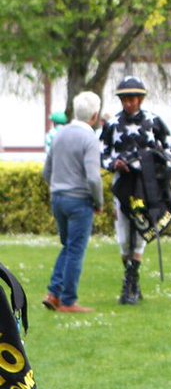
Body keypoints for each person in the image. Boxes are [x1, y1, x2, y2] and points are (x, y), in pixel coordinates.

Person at [99, 75, 171, 305]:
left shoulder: (154, 122)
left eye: (132, 98)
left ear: (140, 99)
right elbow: (102, 152)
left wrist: (158, 166)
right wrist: (114, 164)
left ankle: (131, 282)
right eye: (124, 98)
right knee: (124, 234)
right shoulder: (112, 124)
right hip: (123, 185)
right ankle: (131, 275)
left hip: (146, 185)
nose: (128, 103)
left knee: (143, 227)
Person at [41, 91, 104, 314]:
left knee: (67, 246)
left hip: (57, 198)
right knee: (76, 249)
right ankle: (68, 301)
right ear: (94, 116)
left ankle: (53, 293)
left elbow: (46, 171)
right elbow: (93, 177)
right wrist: (99, 201)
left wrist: (58, 186)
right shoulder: (90, 139)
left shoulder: (58, 135)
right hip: (79, 201)